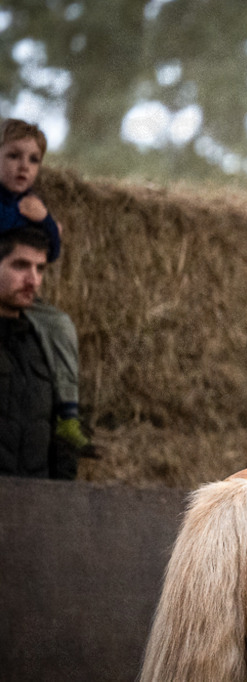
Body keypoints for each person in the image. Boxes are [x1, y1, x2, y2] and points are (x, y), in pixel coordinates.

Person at [0, 118, 93, 456]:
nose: (23, 166)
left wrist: (46, 223)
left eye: (33, 159)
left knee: (59, 325)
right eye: (13, 156)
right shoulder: (15, 207)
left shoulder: (33, 203)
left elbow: (50, 250)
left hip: (12, 294)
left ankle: (68, 413)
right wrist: (25, 218)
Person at [0, 227, 76, 478]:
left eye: (40, 269)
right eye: (20, 266)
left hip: (35, 503)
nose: (33, 280)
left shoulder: (44, 342)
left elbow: (59, 434)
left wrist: (60, 493)